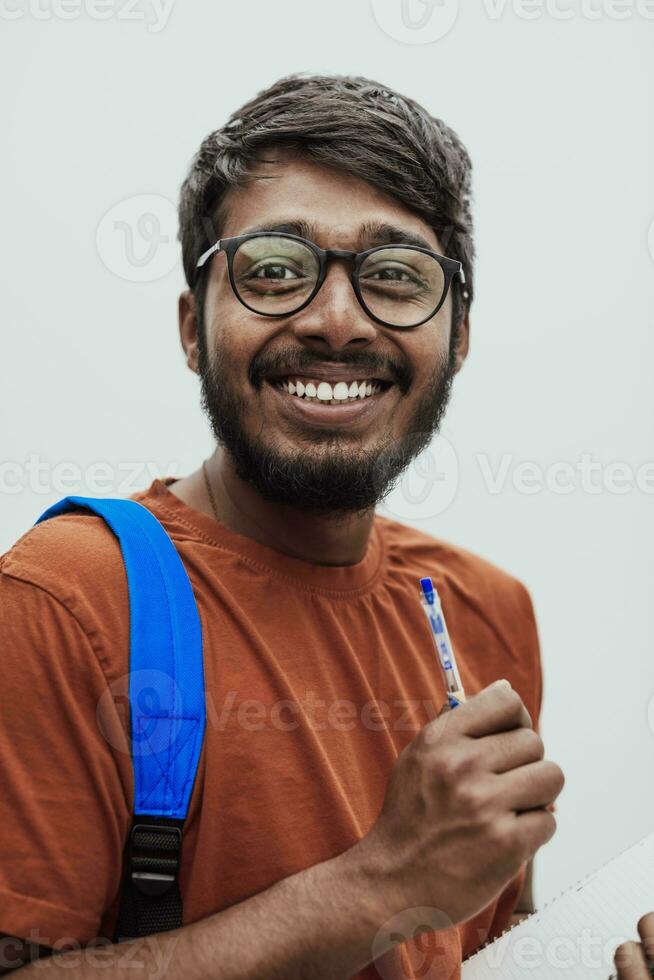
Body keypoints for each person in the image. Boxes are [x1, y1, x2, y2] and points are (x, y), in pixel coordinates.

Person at [0, 73, 645, 979]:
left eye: (394, 274)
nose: (337, 321)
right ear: (193, 327)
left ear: (457, 334)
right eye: (273, 269)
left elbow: (480, 947)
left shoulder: (487, 611)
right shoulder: (63, 602)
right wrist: (377, 887)